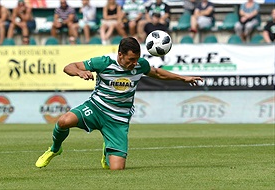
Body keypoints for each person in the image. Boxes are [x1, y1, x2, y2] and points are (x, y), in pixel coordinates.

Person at [35, 37, 203, 170]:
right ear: (120, 54)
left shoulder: (140, 65)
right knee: (64, 121)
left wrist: (183, 78)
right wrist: (80, 72)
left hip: (118, 119)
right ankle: (55, 149)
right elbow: (69, 66)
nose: (134, 63)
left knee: (117, 169)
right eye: (130, 59)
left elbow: (158, 73)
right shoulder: (104, 62)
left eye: (136, 59)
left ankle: (107, 148)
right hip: (96, 108)